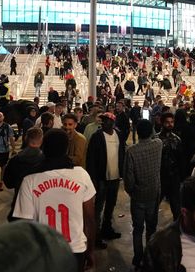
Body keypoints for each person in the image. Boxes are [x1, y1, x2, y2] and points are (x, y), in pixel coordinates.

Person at [14, 130, 96, 272]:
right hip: (75, 249)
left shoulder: (30, 180)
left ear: (43, 148)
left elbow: (24, 225)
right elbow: (90, 219)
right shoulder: (81, 175)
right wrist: (90, 250)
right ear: (66, 149)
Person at [123, 119, 163, 268]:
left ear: (137, 133)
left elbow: (128, 178)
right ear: (151, 130)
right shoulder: (158, 145)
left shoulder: (132, 151)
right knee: (152, 228)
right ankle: (150, 256)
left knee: (138, 229)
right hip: (154, 193)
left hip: (138, 195)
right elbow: (158, 137)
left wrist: (132, 191)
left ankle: (138, 257)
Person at [86, 112, 125, 248]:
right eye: (102, 120)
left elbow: (122, 153)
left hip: (115, 178)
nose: (103, 122)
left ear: (112, 123)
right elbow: (90, 159)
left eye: (106, 120)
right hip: (101, 178)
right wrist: (93, 178)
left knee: (110, 205)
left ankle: (107, 229)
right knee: (98, 208)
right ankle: (95, 237)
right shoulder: (97, 137)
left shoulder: (118, 135)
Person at [3, 127, 44, 221]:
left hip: (19, 205)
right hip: (40, 206)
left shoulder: (15, 160)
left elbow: (8, 184)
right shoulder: (46, 161)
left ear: (26, 138)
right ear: (41, 140)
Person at [159, 112, 184, 221]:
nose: (170, 125)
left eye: (172, 122)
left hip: (174, 177)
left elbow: (181, 159)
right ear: (162, 123)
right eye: (167, 122)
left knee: (176, 206)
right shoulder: (156, 140)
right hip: (160, 177)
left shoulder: (177, 139)